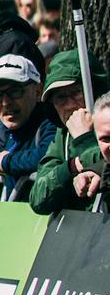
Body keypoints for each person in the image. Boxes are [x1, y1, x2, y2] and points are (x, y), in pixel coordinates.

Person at [30, 53, 108, 214]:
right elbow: (38, 199)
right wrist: (70, 168)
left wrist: (84, 139)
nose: (70, 105)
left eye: (76, 93)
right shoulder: (62, 136)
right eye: (61, 98)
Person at [0, 55, 55, 200]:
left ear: (38, 91)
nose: (6, 103)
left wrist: (7, 162)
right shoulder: (4, 132)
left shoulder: (51, 121)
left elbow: (50, 155)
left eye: (14, 92)